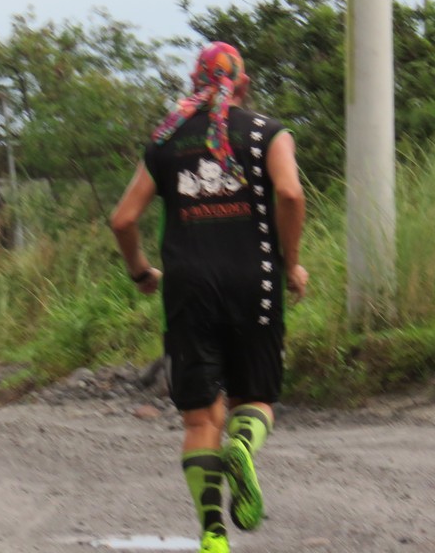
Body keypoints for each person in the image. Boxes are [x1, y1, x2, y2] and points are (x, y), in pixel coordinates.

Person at [110, 42, 308, 553]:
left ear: (194, 83)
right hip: (255, 282)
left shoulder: (165, 142)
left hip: (188, 290)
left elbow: (123, 219)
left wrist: (140, 272)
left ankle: (213, 535)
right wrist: (291, 262)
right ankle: (242, 445)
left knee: (200, 418)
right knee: (255, 399)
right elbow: (290, 194)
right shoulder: (268, 132)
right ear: (244, 84)